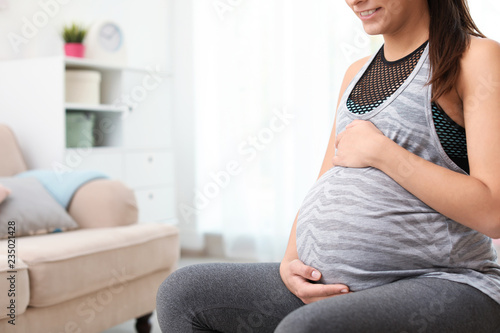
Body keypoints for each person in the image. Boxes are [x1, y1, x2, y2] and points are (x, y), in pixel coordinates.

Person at [156, 0, 500, 332]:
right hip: (335, 286)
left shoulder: (475, 58)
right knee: (183, 295)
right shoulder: (356, 73)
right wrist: (290, 263)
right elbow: (326, 180)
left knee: (306, 328)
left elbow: (493, 212)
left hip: (444, 282)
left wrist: (384, 153)